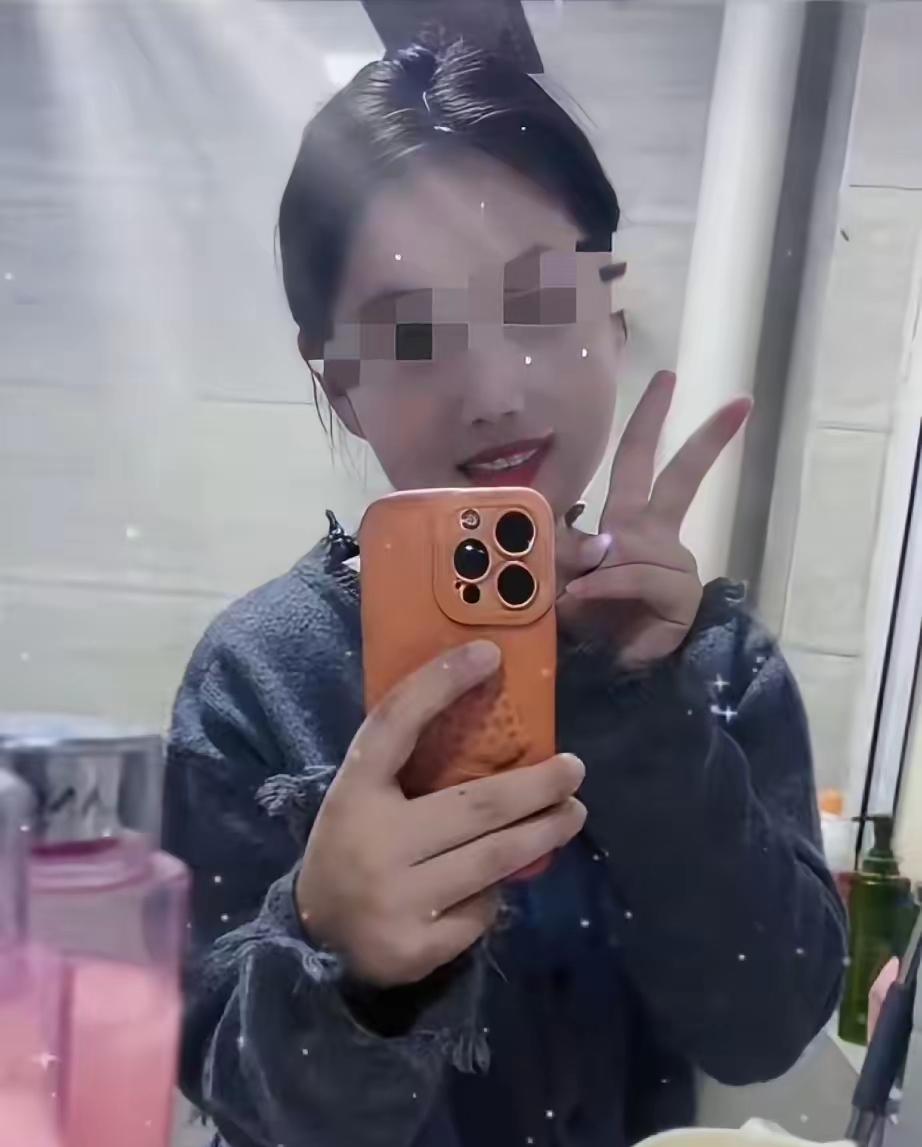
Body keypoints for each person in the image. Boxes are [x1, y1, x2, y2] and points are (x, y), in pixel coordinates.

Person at [163, 38, 847, 1147]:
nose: (491, 389)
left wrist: (639, 708)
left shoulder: (713, 663)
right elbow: (226, 1089)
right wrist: (338, 955)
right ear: (340, 382)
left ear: (611, 316)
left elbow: (764, 1025)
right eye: (411, 334)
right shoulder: (258, 676)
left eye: (539, 304)